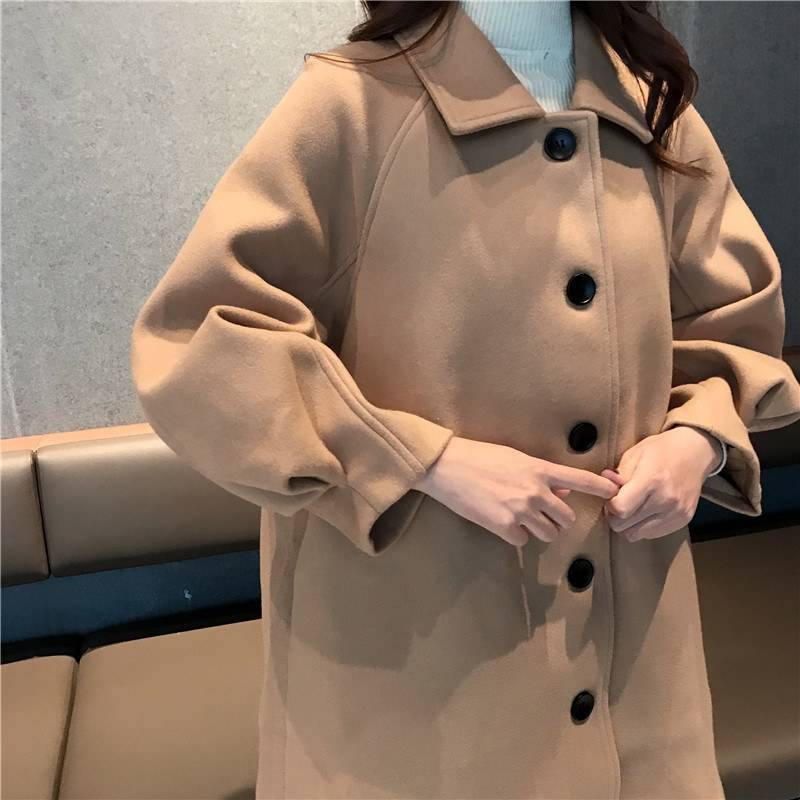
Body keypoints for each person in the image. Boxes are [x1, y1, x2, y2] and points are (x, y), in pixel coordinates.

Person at [129, 1, 800, 797]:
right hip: (418, 664)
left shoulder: (651, 107)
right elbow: (202, 345)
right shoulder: (356, 103)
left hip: (631, 652)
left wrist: (697, 440)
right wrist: (421, 460)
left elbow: (732, 323)